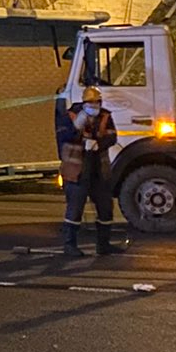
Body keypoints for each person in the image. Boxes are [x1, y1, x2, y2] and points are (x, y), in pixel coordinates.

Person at [57, 87, 119, 256]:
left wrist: (99, 143)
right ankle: (70, 245)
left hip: (99, 169)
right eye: (91, 102)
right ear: (83, 103)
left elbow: (113, 136)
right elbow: (63, 137)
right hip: (77, 170)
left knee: (105, 208)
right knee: (75, 208)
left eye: (97, 102)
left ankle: (103, 244)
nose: (94, 105)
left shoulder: (105, 115)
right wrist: (80, 137)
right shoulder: (70, 116)